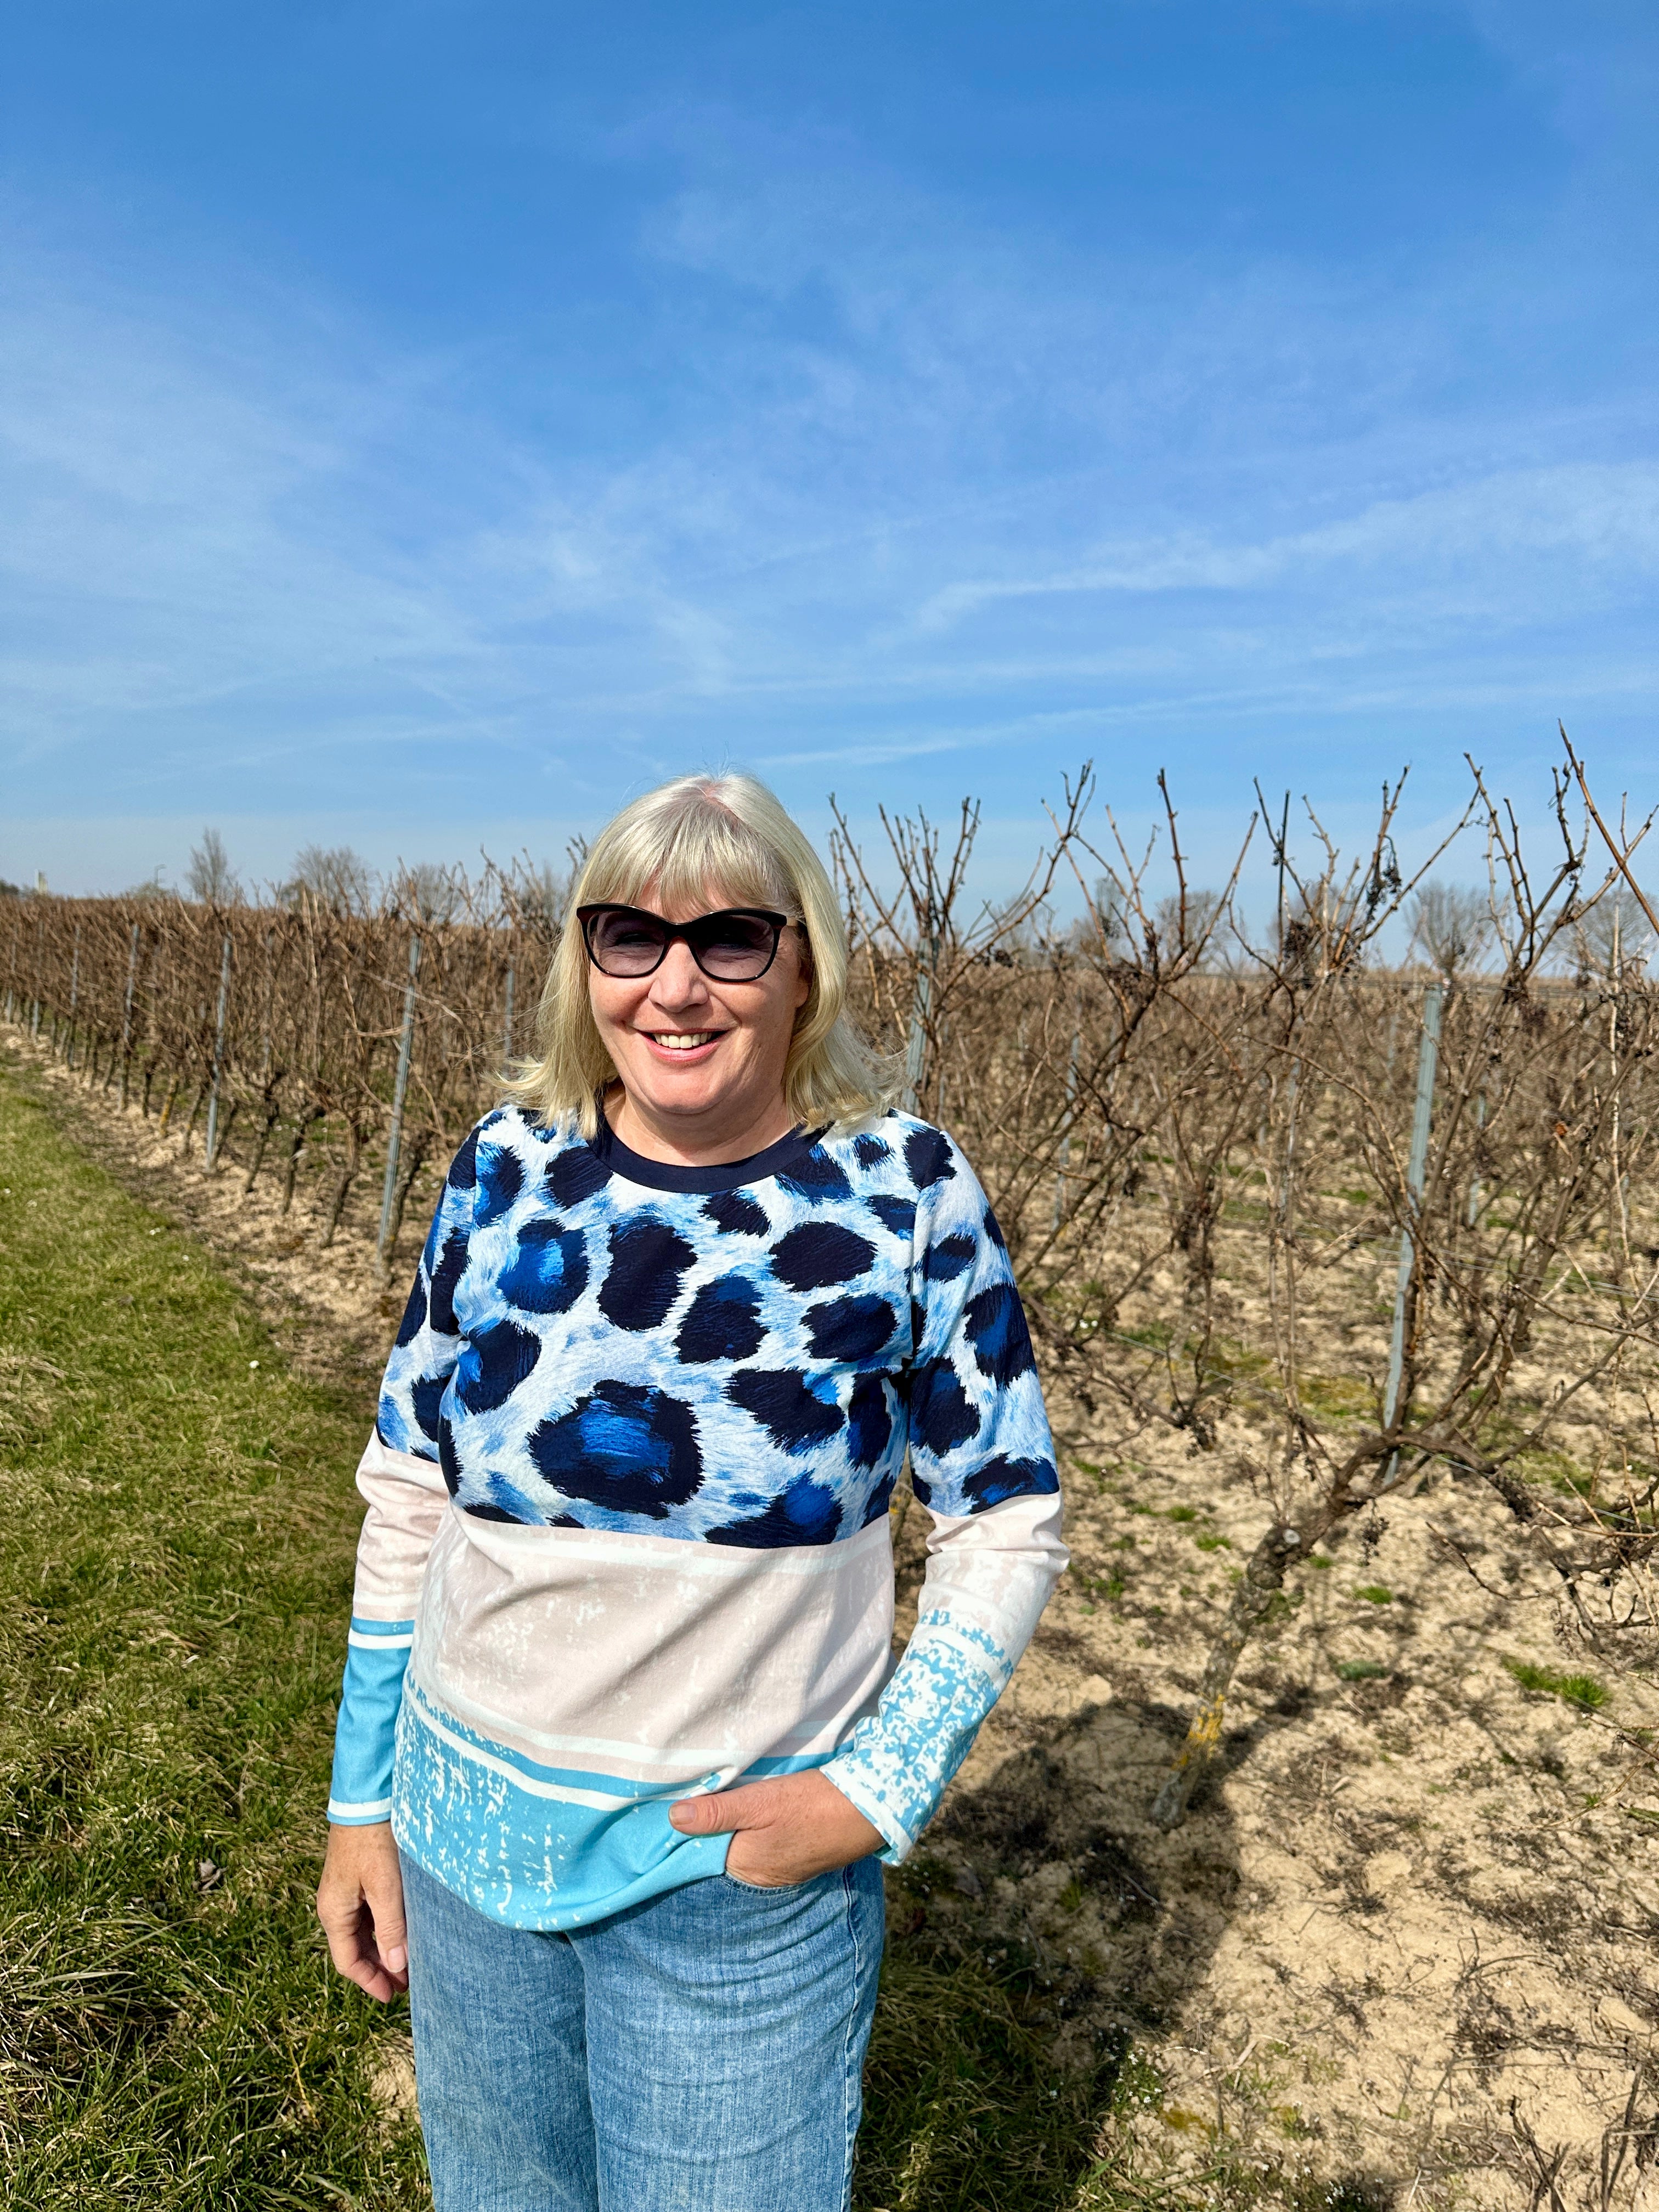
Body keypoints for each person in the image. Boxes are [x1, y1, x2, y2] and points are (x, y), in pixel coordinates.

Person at [315, 772, 1066, 2211]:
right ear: (582, 961)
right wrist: (364, 1806)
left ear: (803, 968)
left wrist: (878, 1789)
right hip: (465, 1851)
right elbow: (409, 1489)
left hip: (737, 1891)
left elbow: (1005, 1515)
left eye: (731, 938)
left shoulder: (901, 1191)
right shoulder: (503, 1171)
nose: (676, 985)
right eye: (629, 938)